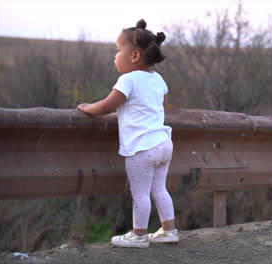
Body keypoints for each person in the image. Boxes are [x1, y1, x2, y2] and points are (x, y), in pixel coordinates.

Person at [77, 19, 178, 248]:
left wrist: (85, 107)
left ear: (134, 56)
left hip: (142, 148)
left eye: (117, 49)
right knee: (160, 188)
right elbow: (164, 107)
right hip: (163, 142)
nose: (115, 56)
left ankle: (139, 235)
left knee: (140, 192)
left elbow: (106, 107)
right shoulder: (158, 79)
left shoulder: (128, 79)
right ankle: (169, 231)